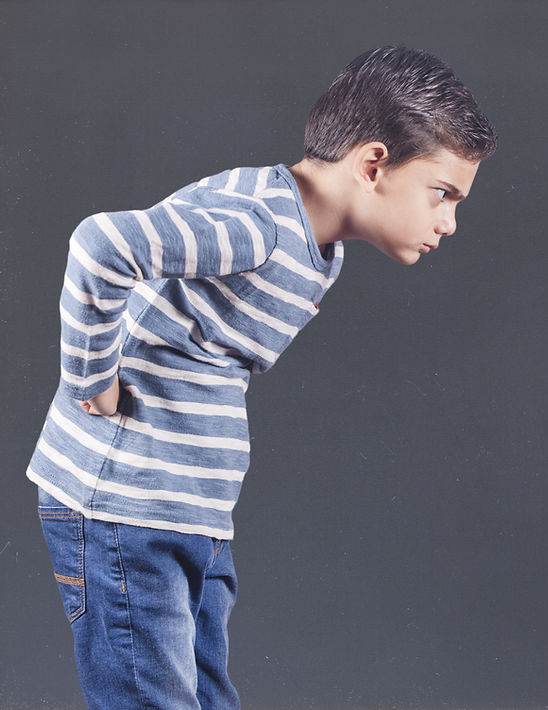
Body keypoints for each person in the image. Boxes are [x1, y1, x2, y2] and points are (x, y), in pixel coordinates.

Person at [28, 45, 496, 709]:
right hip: (126, 507)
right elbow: (102, 246)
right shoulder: (262, 226)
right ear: (372, 164)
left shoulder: (311, 237)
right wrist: (91, 378)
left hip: (188, 512)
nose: (448, 222)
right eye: (442, 194)